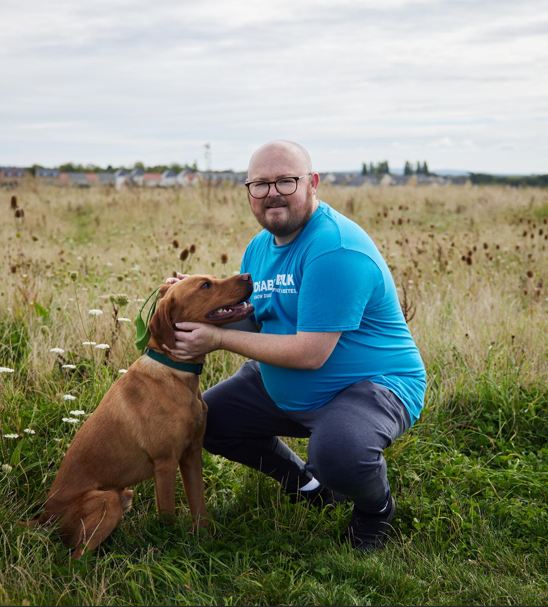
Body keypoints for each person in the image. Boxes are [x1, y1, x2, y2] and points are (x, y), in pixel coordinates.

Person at [164, 140, 426, 550]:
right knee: (206, 421)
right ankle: (308, 485)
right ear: (249, 192)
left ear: (313, 184)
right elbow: (257, 318)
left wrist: (216, 339)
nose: (272, 193)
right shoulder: (259, 248)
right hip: (281, 384)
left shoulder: (334, 248)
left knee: (339, 452)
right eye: (260, 184)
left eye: (286, 181)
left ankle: (376, 511)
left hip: (371, 385)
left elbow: (310, 353)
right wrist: (192, 300)